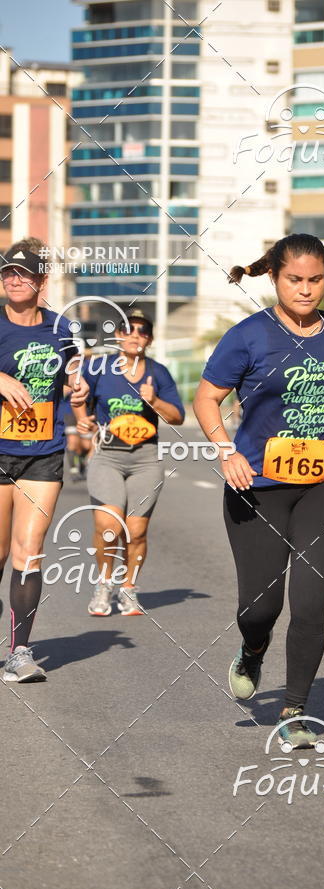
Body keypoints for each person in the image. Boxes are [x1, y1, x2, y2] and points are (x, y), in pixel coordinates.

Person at [194, 233, 324, 749]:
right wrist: (226, 451)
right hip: (256, 486)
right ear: (275, 278)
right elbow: (207, 398)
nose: (306, 290)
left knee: (311, 601)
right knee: (260, 607)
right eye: (295, 280)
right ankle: (253, 647)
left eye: (316, 280)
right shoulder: (247, 336)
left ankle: (296, 711)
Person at [0, 238, 88, 682]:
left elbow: (74, 375)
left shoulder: (61, 329)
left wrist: (79, 390)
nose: (15, 280)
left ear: (41, 281)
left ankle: (20, 652)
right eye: (8, 273)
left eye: (25, 273)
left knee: (29, 553)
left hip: (43, 452)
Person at [75, 309, 184, 616]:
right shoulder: (99, 367)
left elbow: (177, 416)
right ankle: (104, 583)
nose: (136, 334)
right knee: (108, 526)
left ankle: (129, 588)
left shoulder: (158, 373)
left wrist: (155, 401)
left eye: (143, 331)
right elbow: (78, 396)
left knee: (136, 531)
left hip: (146, 459)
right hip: (107, 455)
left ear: (150, 338)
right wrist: (85, 423)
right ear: (119, 335)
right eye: (129, 329)